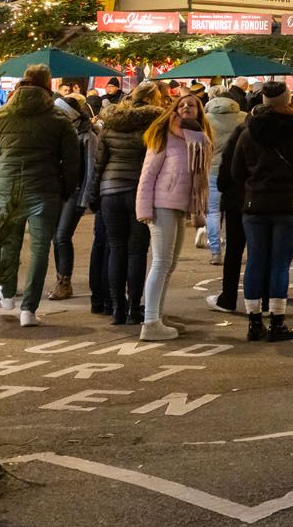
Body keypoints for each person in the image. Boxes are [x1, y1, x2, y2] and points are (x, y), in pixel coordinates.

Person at [0, 65, 80, 327]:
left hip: (7, 188)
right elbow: (72, 162)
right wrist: (64, 189)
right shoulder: (58, 118)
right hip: (44, 188)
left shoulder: (1, 115)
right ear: (48, 84)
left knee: (9, 243)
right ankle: (28, 309)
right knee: (40, 249)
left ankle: (6, 293)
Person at [231, 82, 293, 342]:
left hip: (255, 205)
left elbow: (236, 172)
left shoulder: (248, 132)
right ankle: (278, 322)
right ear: (288, 101)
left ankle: (253, 321)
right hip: (289, 205)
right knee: (280, 264)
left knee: (256, 261)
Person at [134, 93, 212, 341]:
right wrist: (144, 209)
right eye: (182, 105)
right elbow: (147, 175)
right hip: (161, 205)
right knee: (161, 262)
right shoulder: (164, 135)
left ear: (199, 112)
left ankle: (157, 314)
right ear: (174, 110)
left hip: (179, 207)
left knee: (169, 265)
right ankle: (150, 322)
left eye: (192, 105)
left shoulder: (200, 139)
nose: (186, 107)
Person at [92, 82, 167, 324]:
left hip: (110, 189)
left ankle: (117, 309)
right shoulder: (155, 124)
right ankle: (135, 308)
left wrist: (94, 193)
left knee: (116, 248)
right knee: (137, 251)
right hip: (140, 191)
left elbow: (99, 162)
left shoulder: (111, 122)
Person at [49, 93, 100, 303]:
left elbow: (91, 170)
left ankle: (64, 282)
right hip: (60, 191)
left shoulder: (88, 137)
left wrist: (85, 199)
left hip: (76, 192)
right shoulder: (60, 133)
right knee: (56, 237)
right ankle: (60, 279)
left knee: (61, 236)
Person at [206, 109, 250, 315]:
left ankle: (228, 297)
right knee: (264, 253)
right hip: (269, 200)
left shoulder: (241, 131)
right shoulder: (291, 132)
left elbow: (227, 169)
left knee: (233, 249)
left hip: (234, 197)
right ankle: (267, 301)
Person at [203, 91, 245, 265]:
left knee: (213, 212)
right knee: (234, 213)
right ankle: (231, 250)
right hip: (236, 169)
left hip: (212, 169)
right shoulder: (244, 117)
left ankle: (215, 252)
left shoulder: (205, 119)